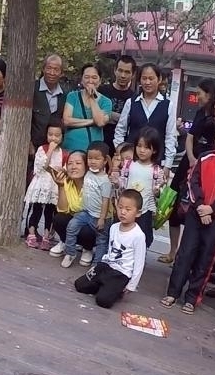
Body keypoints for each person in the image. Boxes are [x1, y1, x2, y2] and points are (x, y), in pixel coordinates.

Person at [161, 119, 215, 314]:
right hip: (196, 212)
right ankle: (173, 292)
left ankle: (192, 297)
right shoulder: (205, 157)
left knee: (206, 258)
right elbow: (193, 181)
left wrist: (212, 209)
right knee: (185, 253)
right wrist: (201, 206)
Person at [74, 189, 148, 308]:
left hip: (121, 273)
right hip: (107, 266)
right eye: (120, 207)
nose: (122, 212)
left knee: (103, 301)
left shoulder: (138, 235)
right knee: (80, 285)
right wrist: (99, 265)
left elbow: (139, 263)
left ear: (138, 213)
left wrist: (132, 285)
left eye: (128, 209)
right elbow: (110, 249)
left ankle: (113, 289)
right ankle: (103, 285)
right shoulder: (114, 227)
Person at [60, 142, 113, 268]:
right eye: (90, 158)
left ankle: (96, 265)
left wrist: (102, 218)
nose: (93, 162)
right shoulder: (88, 173)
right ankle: (70, 253)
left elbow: (105, 201)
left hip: (100, 217)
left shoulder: (105, 181)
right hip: (86, 213)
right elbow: (72, 170)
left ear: (105, 160)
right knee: (71, 226)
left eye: (97, 159)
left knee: (101, 241)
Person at [24, 122, 66, 250]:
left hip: (54, 185)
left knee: (50, 212)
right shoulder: (42, 149)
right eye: (50, 134)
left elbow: (64, 169)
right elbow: (42, 166)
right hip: (42, 183)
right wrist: (50, 150)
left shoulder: (64, 153)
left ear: (62, 136)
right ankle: (31, 234)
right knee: (36, 209)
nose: (53, 138)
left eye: (57, 135)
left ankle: (46, 236)